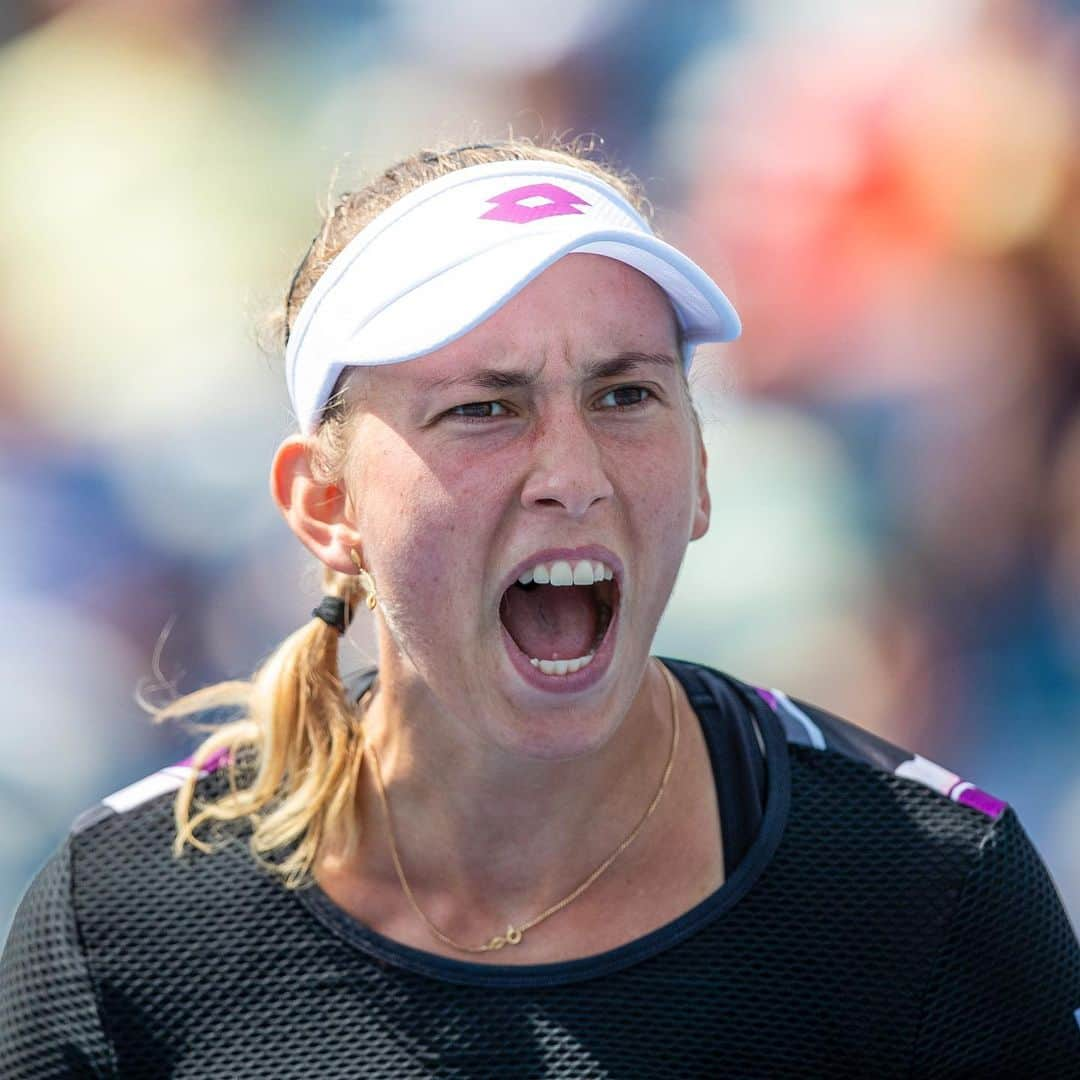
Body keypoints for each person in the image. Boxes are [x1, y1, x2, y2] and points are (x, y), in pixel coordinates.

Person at [1, 139, 1077, 1078]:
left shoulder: (932, 887)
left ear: (700, 471)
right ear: (325, 505)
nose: (573, 470)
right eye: (483, 407)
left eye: (624, 395)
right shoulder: (122, 918)